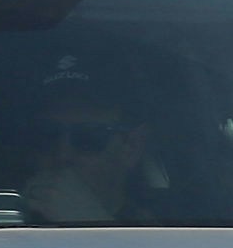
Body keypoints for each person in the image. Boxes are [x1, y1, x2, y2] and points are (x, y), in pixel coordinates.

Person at [19, 71, 149, 224]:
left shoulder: (166, 236)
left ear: (131, 146)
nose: (63, 155)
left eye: (87, 137)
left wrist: (90, 221)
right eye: (48, 135)